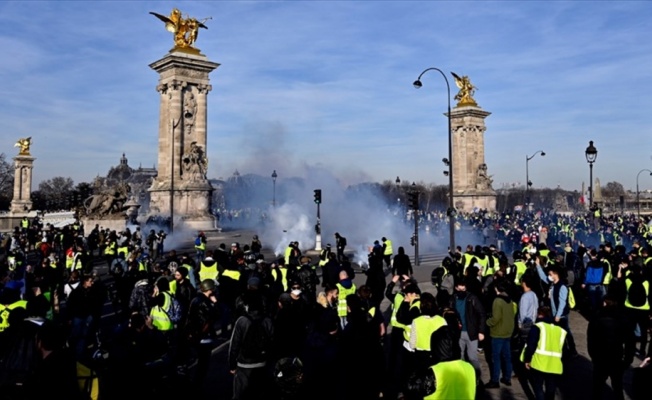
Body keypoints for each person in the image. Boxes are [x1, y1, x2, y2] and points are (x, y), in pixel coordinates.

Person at [229, 293, 274, 400]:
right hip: (262, 363)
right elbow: (273, 342)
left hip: (244, 364)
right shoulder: (267, 320)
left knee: (240, 395)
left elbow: (234, 345)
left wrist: (232, 365)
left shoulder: (241, 321)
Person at [521, 306, 567, 400]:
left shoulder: (538, 327)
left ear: (540, 314)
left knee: (538, 387)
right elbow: (564, 349)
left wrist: (527, 359)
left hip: (539, 363)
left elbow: (531, 345)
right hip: (555, 365)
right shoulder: (560, 330)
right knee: (551, 389)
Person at [587, 295, 626, 400]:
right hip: (616, 355)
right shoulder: (621, 318)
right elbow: (629, 340)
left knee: (598, 387)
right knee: (617, 387)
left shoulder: (597, 317)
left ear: (605, 303)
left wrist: (593, 355)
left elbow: (590, 339)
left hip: (600, 357)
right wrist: (628, 359)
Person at [184, 279, 220, 386]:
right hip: (204, 337)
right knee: (203, 364)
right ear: (210, 289)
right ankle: (197, 384)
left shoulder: (195, 299)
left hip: (193, 335)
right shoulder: (206, 302)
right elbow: (216, 315)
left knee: (195, 361)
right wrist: (215, 303)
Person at [452, 276, 486, 382]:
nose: (462, 289)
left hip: (471, 332)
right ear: (456, 287)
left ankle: (477, 378)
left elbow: (482, 314)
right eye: (459, 286)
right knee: (460, 356)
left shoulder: (472, 298)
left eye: (463, 286)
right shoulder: (453, 299)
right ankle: (463, 377)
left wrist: (481, 331)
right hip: (458, 333)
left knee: (472, 357)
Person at [485, 280, 515, 388]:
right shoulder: (509, 300)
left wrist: (488, 322)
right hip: (508, 331)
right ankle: (507, 377)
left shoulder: (497, 301)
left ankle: (495, 380)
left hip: (498, 333)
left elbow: (496, 318)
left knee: (495, 358)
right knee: (507, 356)